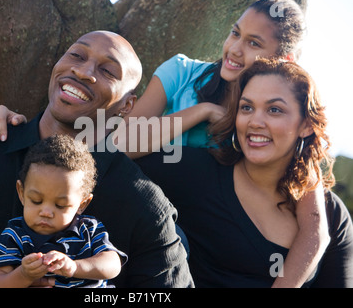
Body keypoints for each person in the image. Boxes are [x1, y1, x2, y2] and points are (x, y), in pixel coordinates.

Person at [0, 0, 329, 287]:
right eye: (235, 33)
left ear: (282, 59)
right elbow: (122, 141)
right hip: (132, 211)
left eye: (253, 43)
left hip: (198, 237)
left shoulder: (270, 119)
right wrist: (201, 111)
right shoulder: (182, 72)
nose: (234, 48)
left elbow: (317, 228)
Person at [0, 31, 193, 288]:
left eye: (107, 71)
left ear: (127, 105)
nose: (83, 72)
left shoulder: (142, 204)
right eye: (77, 55)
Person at [136, 58, 353, 287]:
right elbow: (114, 154)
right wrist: (203, 111)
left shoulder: (332, 214)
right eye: (246, 107)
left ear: (307, 125)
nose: (255, 121)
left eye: (274, 110)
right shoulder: (196, 172)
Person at [0, 135, 127, 288]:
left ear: (82, 204)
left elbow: (113, 265)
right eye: (36, 201)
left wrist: (74, 267)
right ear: (21, 192)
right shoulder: (14, 235)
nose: (46, 212)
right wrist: (23, 275)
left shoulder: (89, 229)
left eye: (60, 205)